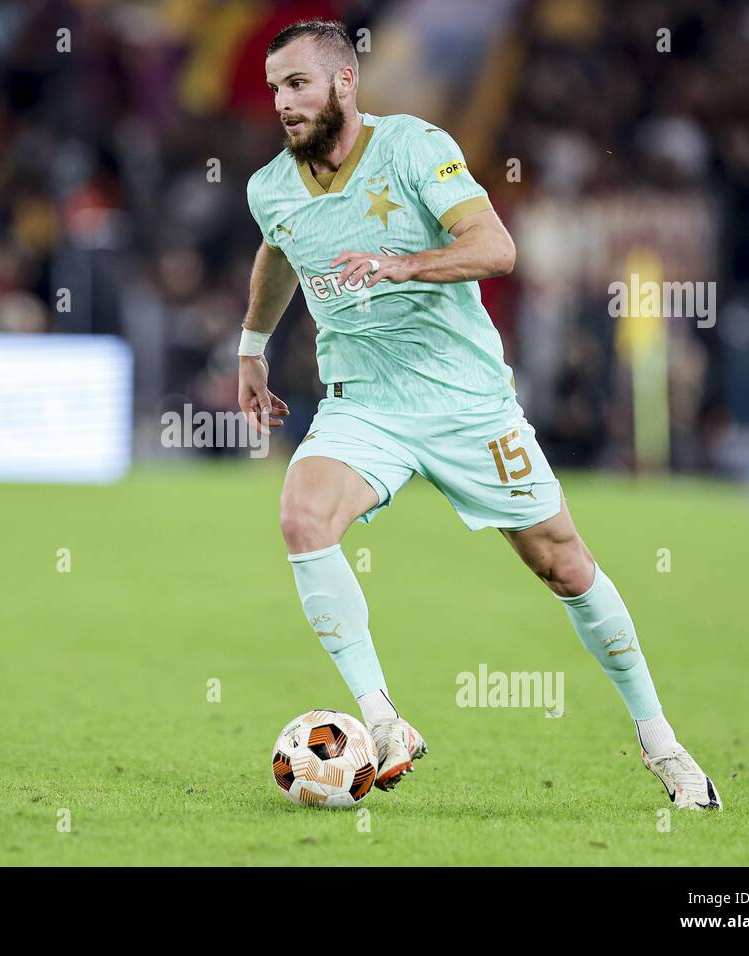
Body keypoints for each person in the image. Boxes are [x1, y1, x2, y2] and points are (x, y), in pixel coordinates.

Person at [238, 19, 720, 808]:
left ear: (344, 82)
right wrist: (252, 347)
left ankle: (660, 742)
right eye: (274, 90)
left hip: (466, 403)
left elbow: (496, 247)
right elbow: (277, 246)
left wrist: (400, 265)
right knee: (301, 517)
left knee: (563, 563)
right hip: (366, 404)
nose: (283, 104)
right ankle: (382, 720)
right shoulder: (271, 185)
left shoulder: (413, 148)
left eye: (296, 84)